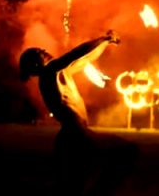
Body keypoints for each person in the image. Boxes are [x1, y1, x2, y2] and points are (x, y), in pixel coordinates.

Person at [19, 30, 136, 195]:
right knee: (126, 152)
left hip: (71, 136)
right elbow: (77, 54)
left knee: (72, 184)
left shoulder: (56, 73)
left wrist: (105, 42)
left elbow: (85, 58)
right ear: (35, 65)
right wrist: (104, 38)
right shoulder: (51, 71)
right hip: (76, 134)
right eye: (39, 53)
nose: (43, 51)